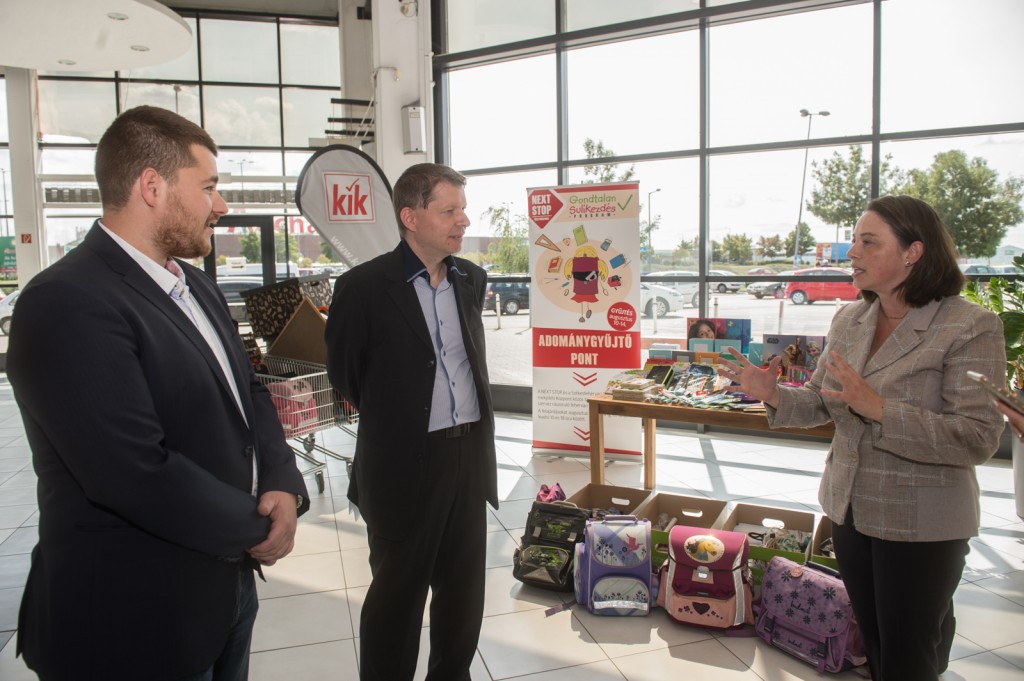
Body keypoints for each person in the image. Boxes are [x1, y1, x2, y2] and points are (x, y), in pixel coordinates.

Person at [7, 106, 310, 681]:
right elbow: (132, 472)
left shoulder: (195, 284)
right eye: (209, 187)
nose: (221, 205)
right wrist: (261, 526)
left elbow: (249, 390)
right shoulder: (66, 302)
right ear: (152, 186)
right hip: (132, 617)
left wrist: (281, 481)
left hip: (222, 595)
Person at [717, 195, 1005, 681]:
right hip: (849, 511)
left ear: (913, 252)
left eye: (868, 242)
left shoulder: (970, 326)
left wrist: (881, 409)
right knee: (875, 642)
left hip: (922, 525)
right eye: (854, 241)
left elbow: (977, 437)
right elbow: (820, 401)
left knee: (908, 654)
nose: (851, 252)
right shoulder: (850, 319)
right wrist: (773, 394)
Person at [325, 163, 498, 681]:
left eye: (463, 209)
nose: (463, 220)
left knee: (463, 593)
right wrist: (400, 416)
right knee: (396, 599)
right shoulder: (363, 287)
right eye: (449, 210)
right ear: (411, 216)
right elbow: (347, 376)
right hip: (402, 464)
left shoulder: (470, 279)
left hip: (468, 456)